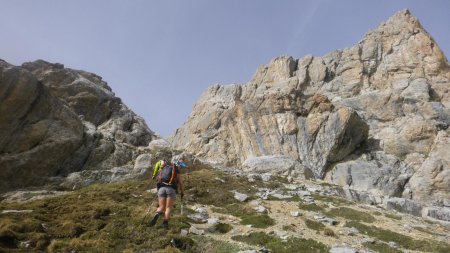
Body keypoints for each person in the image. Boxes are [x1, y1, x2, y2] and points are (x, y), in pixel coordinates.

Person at [149, 161, 185, 228]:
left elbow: (158, 179)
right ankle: (165, 223)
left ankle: (157, 215)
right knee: (168, 207)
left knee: (161, 206)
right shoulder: (176, 172)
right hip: (171, 190)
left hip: (161, 189)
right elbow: (181, 183)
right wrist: (182, 192)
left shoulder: (163, 169)